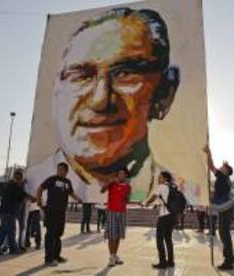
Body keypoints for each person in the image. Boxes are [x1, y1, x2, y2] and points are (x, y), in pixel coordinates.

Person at [26, 7, 190, 204]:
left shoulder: (186, 190)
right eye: (81, 76)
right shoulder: (32, 182)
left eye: (124, 74)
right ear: (56, 90)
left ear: (165, 94)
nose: (99, 100)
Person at [36, 162, 82, 266]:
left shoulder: (67, 182)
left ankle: (57, 256)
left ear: (66, 171)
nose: (59, 171)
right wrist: (39, 201)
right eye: (58, 169)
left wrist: (78, 198)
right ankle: (49, 258)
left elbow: (71, 192)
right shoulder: (52, 179)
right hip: (51, 211)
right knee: (50, 235)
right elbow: (40, 188)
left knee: (58, 235)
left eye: (62, 169)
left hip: (61, 212)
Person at [204, 146, 234, 271]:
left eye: (223, 168)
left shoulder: (222, 177)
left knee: (224, 234)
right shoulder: (224, 178)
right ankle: (230, 259)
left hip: (226, 208)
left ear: (226, 172)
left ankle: (228, 261)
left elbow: (211, 166)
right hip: (225, 208)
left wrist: (209, 153)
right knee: (224, 233)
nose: (220, 168)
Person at [0, 171, 35, 256]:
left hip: (4, 212)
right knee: (11, 231)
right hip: (9, 212)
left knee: (2, 231)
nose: (18, 180)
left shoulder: (9, 185)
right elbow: (24, 195)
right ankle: (13, 249)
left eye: (19, 179)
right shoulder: (15, 187)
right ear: (15, 178)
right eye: (18, 178)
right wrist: (34, 198)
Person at [144, 171, 177, 269]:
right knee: (168, 238)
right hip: (173, 216)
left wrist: (147, 203)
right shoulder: (173, 187)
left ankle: (162, 262)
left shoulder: (161, 186)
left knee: (159, 239)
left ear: (166, 178)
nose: (159, 179)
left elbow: (154, 196)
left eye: (160, 177)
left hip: (164, 216)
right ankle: (171, 261)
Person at [100, 168, 132, 267]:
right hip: (112, 212)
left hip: (122, 212)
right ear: (117, 175)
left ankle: (114, 255)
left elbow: (126, 199)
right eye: (119, 174)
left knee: (118, 235)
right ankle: (111, 256)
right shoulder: (112, 184)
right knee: (111, 235)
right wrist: (109, 182)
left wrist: (125, 199)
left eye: (123, 174)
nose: (121, 176)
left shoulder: (128, 186)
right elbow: (102, 190)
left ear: (126, 176)